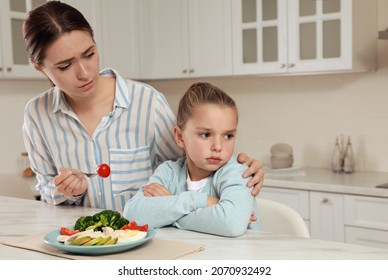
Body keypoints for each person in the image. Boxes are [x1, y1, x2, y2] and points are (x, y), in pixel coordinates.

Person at [22, 1, 264, 212]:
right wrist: (66, 191)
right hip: (81, 245)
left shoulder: (147, 103)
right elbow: (45, 189)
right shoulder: (37, 115)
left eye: (89, 54)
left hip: (149, 242)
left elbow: (193, 166)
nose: (85, 73)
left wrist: (239, 171)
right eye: (65, 66)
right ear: (39, 67)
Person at [124, 82, 259, 237]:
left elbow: (232, 224)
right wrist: (203, 201)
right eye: (206, 135)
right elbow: (132, 215)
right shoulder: (168, 172)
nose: (218, 146)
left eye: (228, 136)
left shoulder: (238, 172)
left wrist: (171, 210)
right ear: (180, 136)